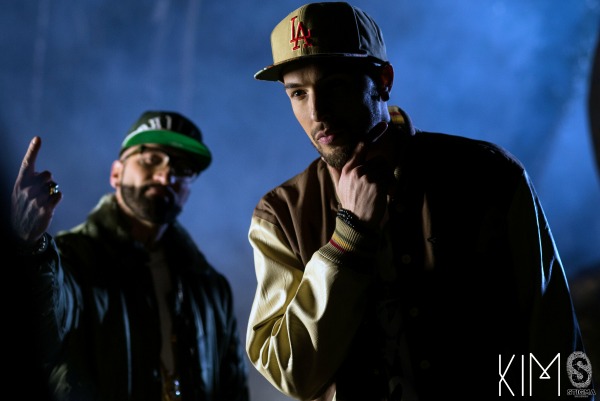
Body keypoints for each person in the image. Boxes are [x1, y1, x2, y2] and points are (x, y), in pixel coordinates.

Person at [245, 3, 595, 400]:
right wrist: (348, 240)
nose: (316, 112)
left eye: (335, 86)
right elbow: (294, 376)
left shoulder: (488, 175)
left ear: (383, 80)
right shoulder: (281, 213)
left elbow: (554, 337)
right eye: (298, 93)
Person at [10, 111, 249, 401]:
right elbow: (44, 327)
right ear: (116, 173)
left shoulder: (210, 287)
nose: (166, 176)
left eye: (183, 169)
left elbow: (233, 389)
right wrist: (29, 244)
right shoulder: (72, 256)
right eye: (151, 159)